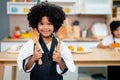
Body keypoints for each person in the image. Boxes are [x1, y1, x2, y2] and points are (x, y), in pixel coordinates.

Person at [17, 2, 75, 80]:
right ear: (36, 25)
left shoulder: (61, 45)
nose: (45, 27)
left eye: (49, 24)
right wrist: (33, 58)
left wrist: (59, 60)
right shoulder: (30, 44)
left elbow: (66, 69)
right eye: (41, 24)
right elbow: (25, 68)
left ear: (55, 25)